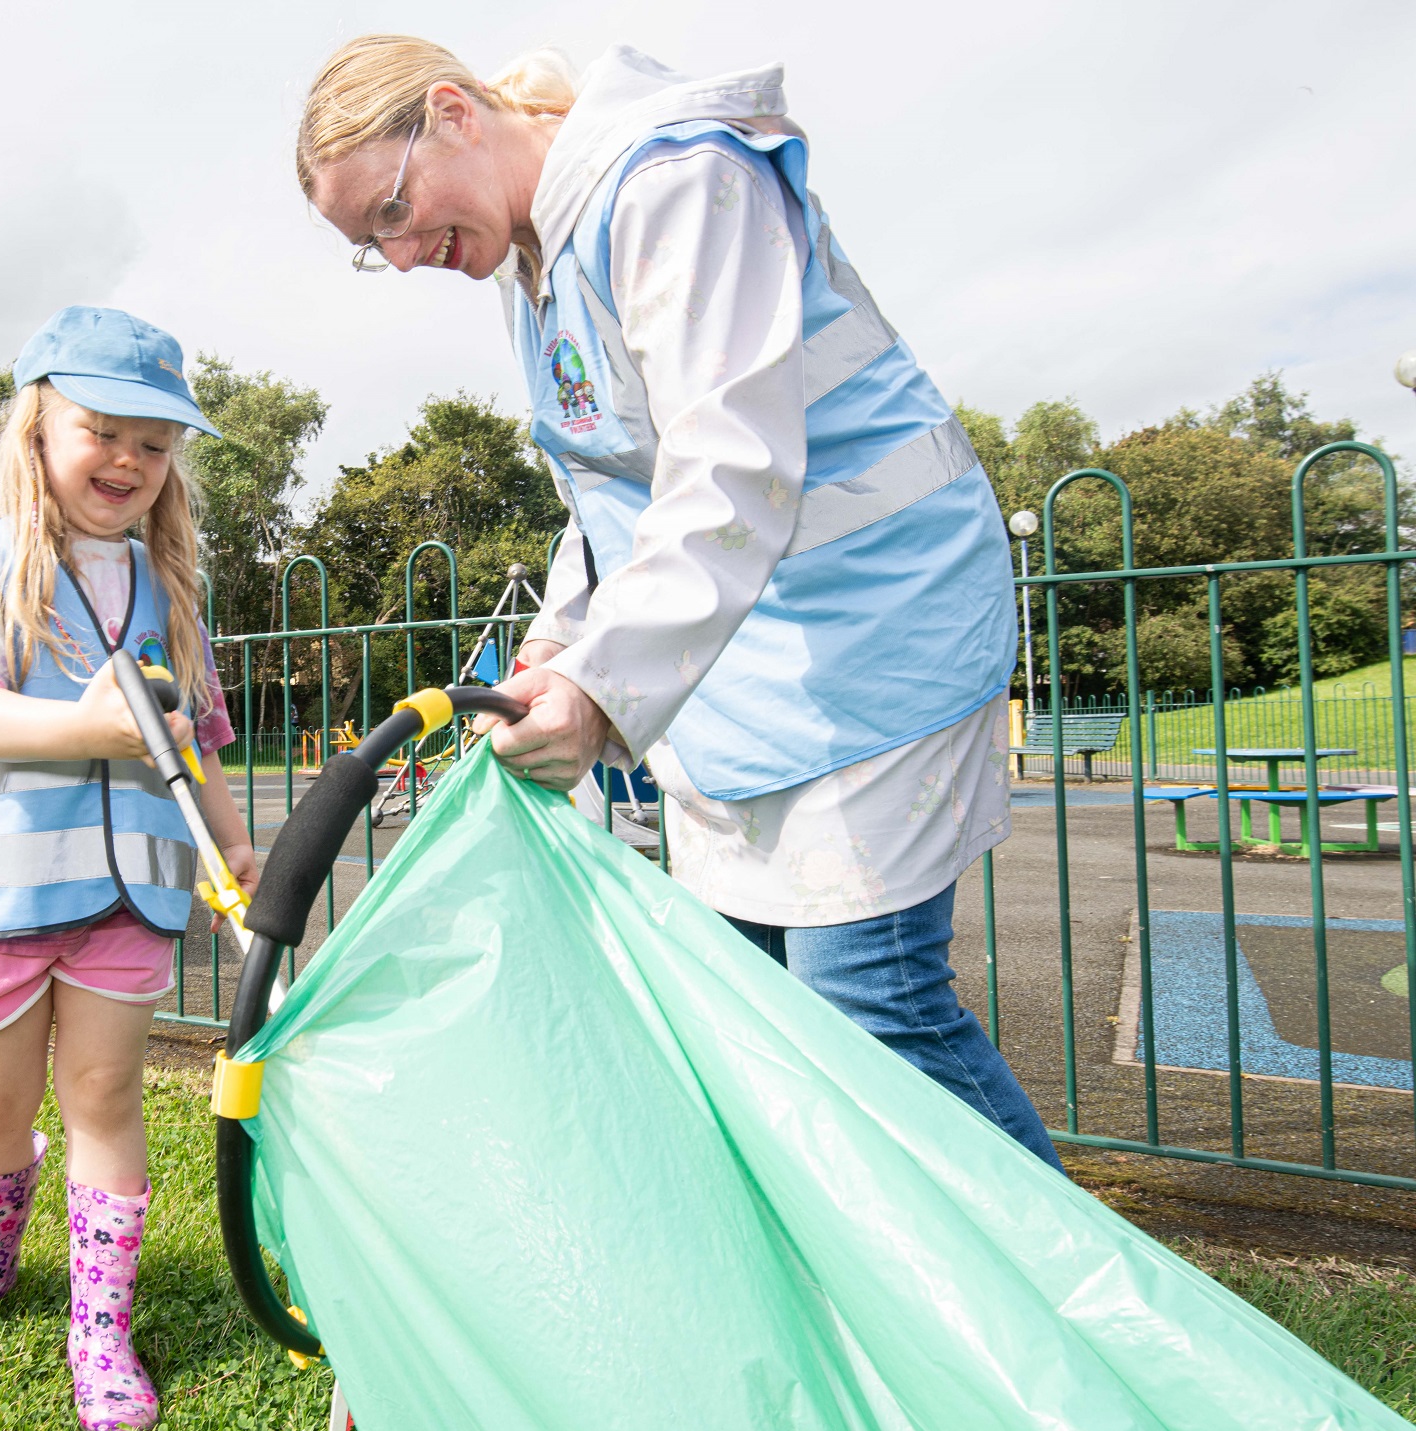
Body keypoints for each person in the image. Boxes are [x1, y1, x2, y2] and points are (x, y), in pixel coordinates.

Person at [297, 38, 1061, 1170]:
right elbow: (608, 494)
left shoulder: (671, 183)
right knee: (762, 1006)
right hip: (749, 671)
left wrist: (598, 694)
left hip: (879, 628)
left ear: (451, 112)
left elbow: (728, 466)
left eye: (392, 211)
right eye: (371, 247)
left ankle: (1075, 1321)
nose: (400, 254)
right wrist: (555, 647)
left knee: (868, 1005)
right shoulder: (537, 265)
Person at [0, 306, 257, 1431]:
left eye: (156, 442)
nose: (129, 460)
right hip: (1, 897)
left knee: (103, 1096)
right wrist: (83, 727)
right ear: (38, 430)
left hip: (134, 888)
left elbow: (200, 737)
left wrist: (228, 840)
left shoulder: (173, 589)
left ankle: (100, 1327)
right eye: (103, 431)